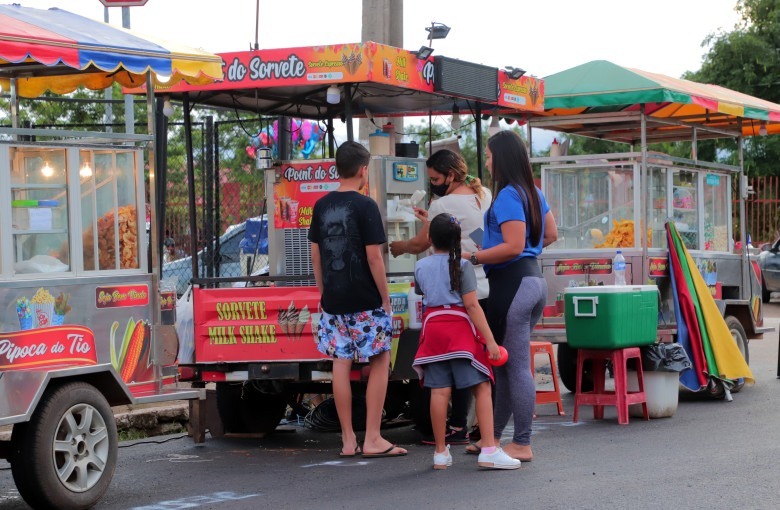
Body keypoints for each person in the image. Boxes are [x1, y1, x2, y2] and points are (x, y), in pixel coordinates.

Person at [462, 130, 558, 462]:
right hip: (531, 282)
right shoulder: (533, 192)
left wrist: (476, 257)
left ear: (500, 158)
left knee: (515, 366)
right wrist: (510, 251)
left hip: (513, 286)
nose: (486, 162)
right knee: (502, 364)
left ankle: (522, 442)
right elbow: (550, 234)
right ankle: (493, 438)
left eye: (488, 156)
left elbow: (514, 246)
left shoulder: (507, 196)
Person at [308, 141, 407, 458]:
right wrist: (385, 296)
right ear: (364, 170)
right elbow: (374, 257)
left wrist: (324, 292)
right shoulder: (366, 206)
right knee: (379, 360)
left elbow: (315, 254)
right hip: (365, 297)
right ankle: (374, 438)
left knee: (341, 363)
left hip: (334, 298)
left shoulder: (321, 206)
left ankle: (348, 440)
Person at [390, 149, 491, 445]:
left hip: (455, 296)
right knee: (476, 362)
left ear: (449, 175)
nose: (432, 183)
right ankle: (476, 428)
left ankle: (454, 428)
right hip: (483, 286)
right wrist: (430, 218)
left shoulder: (443, 203)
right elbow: (477, 234)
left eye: (435, 178)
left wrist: (398, 246)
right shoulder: (483, 193)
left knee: (452, 368)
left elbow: (423, 241)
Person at [412, 213, 520, 470]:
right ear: (456, 240)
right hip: (459, 332)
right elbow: (471, 305)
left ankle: (440, 453)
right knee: (482, 387)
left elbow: (421, 293)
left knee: (438, 391)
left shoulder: (420, 267)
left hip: (433, 331)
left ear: (429, 239)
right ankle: (489, 450)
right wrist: (491, 342)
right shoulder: (463, 266)